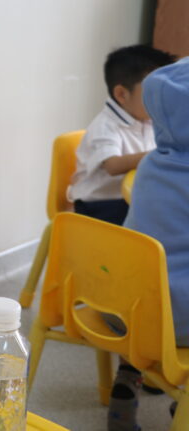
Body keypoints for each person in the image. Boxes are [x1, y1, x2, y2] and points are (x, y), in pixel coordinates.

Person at [105, 57, 189, 431]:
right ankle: (182, 404)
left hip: (121, 307)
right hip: (178, 323)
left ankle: (129, 376)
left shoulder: (152, 165)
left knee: (151, 283)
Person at [68, 45, 175, 225]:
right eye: (153, 93)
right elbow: (113, 165)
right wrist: (158, 155)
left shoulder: (147, 119)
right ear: (122, 94)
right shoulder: (105, 126)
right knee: (158, 219)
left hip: (130, 197)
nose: (162, 100)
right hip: (97, 206)